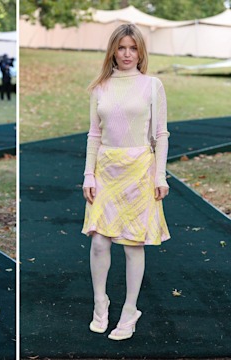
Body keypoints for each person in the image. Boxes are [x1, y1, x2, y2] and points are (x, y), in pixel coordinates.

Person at [81, 23, 170, 341]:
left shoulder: (152, 85)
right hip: (106, 169)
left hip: (139, 171)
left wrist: (160, 175)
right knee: (99, 242)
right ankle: (100, 302)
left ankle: (130, 310)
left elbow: (160, 134)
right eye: (122, 47)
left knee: (133, 244)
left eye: (133, 48)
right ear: (113, 51)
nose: (127, 53)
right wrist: (88, 174)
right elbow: (94, 133)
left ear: (140, 51)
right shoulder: (100, 87)